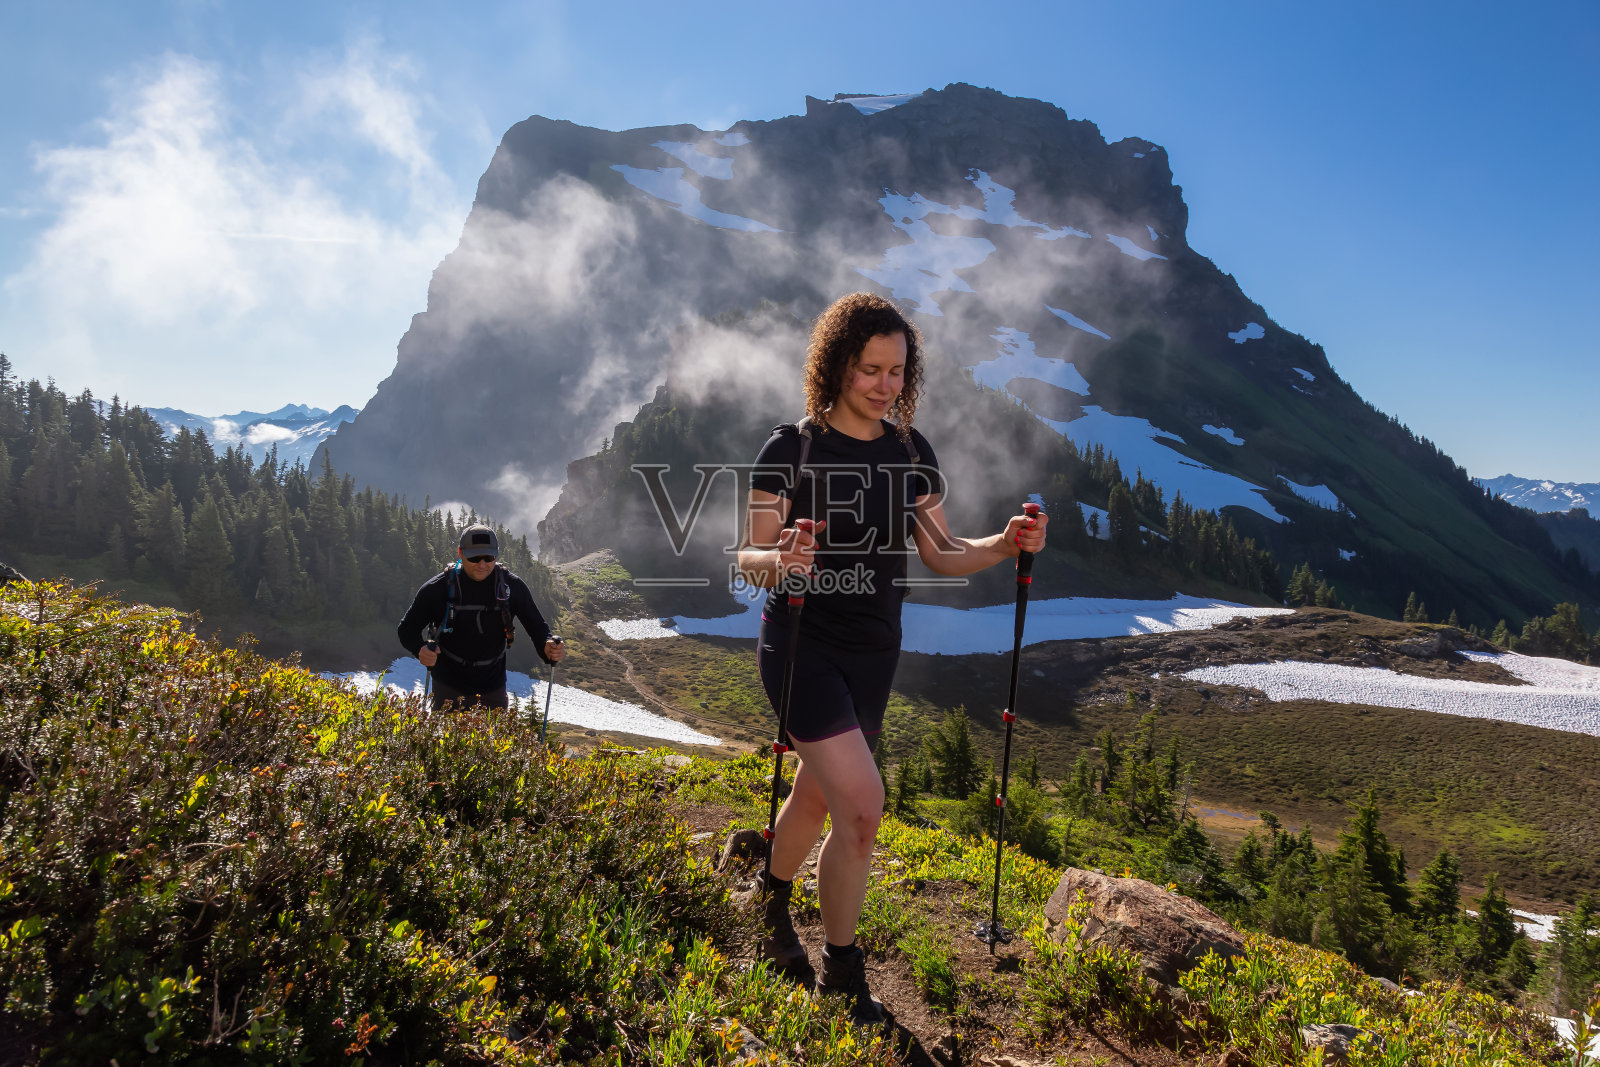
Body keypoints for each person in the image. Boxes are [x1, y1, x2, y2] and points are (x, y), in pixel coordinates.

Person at [737, 292, 1048, 1023]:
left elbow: (939, 552)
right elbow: (749, 557)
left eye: (897, 371)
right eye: (870, 369)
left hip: (875, 653)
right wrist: (778, 557)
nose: (884, 385)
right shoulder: (792, 447)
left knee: (817, 795)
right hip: (800, 644)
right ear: (838, 365)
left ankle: (768, 902)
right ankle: (842, 975)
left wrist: (1002, 543)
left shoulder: (911, 451)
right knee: (864, 807)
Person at [398, 524, 565, 710]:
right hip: (448, 688)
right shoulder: (437, 589)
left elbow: (537, 627)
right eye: (475, 558)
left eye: (489, 557)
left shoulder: (512, 587)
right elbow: (406, 630)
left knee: (494, 739)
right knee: (447, 740)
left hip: (492, 688)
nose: (483, 564)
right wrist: (419, 649)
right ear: (460, 553)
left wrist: (548, 646)